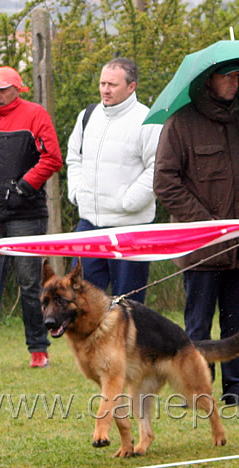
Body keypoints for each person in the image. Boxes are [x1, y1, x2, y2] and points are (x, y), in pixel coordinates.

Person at [154, 60, 239, 407]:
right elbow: (165, 183)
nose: (235, 83)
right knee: (199, 323)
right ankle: (195, 389)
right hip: (201, 246)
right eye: (229, 77)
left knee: (236, 320)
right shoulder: (180, 124)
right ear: (210, 80)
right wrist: (206, 224)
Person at [0, 66, 62, 369]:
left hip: (27, 214)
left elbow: (52, 158)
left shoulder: (36, 114)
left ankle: (38, 348)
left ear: (17, 89)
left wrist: (23, 188)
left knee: (30, 282)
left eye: (1, 89)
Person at [66, 58, 162, 303]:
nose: (105, 90)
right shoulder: (87, 116)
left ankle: (128, 344)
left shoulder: (148, 120)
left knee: (128, 305)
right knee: (81, 303)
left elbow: (157, 167)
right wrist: (77, 193)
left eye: (112, 84)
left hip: (130, 227)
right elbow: (74, 158)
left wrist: (129, 202)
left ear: (131, 87)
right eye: (102, 83)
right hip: (89, 225)